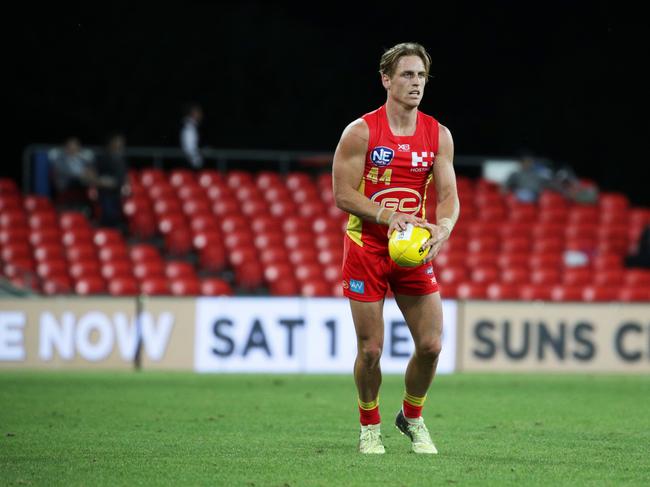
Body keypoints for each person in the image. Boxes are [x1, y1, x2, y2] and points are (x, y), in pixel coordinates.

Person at [332, 42, 459, 455]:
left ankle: (412, 416)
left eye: (421, 75)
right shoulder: (362, 131)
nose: (416, 83)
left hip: (410, 250)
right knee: (370, 351)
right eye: (407, 74)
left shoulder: (437, 134)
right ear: (386, 79)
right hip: (367, 248)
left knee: (431, 345)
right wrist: (388, 217)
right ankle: (370, 424)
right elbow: (342, 195)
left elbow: (449, 194)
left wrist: (442, 227)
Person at [48, 137, 95, 212]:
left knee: (95, 186)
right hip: (65, 183)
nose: (73, 148)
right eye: (70, 146)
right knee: (82, 183)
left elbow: (90, 169)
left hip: (82, 183)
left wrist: (90, 174)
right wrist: (81, 176)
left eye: (75, 146)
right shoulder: (60, 159)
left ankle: (90, 211)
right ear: (66, 147)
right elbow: (62, 172)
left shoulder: (82, 159)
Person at [93, 133, 129, 228]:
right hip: (106, 191)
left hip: (117, 191)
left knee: (117, 214)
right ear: (111, 143)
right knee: (108, 214)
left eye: (121, 142)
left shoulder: (121, 157)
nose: (119, 144)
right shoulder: (103, 157)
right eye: (117, 142)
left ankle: (115, 234)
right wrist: (102, 181)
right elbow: (95, 174)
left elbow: (123, 174)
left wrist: (126, 184)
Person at [180, 103, 204, 169]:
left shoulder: (193, 126)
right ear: (193, 113)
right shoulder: (189, 126)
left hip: (192, 160)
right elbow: (189, 147)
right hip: (190, 161)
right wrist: (195, 159)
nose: (201, 115)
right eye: (198, 113)